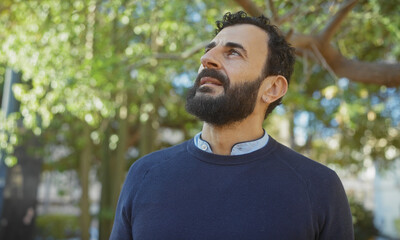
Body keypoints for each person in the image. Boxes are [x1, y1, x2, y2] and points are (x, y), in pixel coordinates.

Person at [110, 11, 354, 240]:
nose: (207, 59)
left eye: (233, 53)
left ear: (272, 88)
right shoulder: (144, 174)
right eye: (209, 51)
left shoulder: (319, 187)